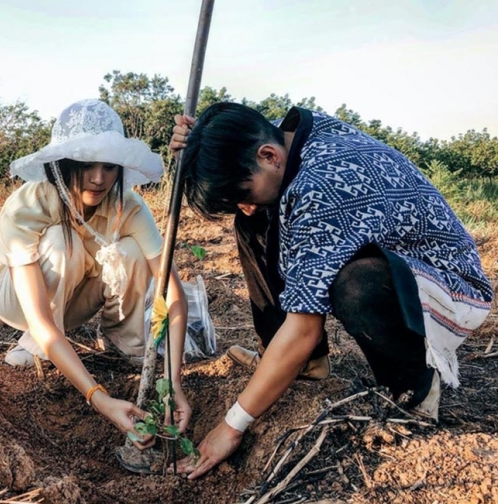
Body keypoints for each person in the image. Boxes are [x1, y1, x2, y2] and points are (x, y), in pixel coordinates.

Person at [169, 102, 493, 479]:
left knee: (356, 286)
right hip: (399, 263)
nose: (242, 202)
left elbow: (304, 327)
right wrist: (199, 142)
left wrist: (231, 426)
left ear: (269, 156)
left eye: (242, 190)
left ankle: (414, 390)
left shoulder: (319, 186)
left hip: (447, 288)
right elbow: (237, 134)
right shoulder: (286, 135)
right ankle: (306, 366)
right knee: (252, 219)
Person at [0, 99, 191, 446]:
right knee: (63, 243)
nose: (98, 179)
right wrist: (98, 397)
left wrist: (174, 383)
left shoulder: (129, 206)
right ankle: (36, 347)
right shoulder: (29, 204)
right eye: (85, 165)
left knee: (131, 250)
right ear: (64, 163)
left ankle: (125, 342)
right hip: (17, 300)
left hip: (74, 298)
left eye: (109, 167)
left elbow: (173, 293)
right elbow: (40, 317)